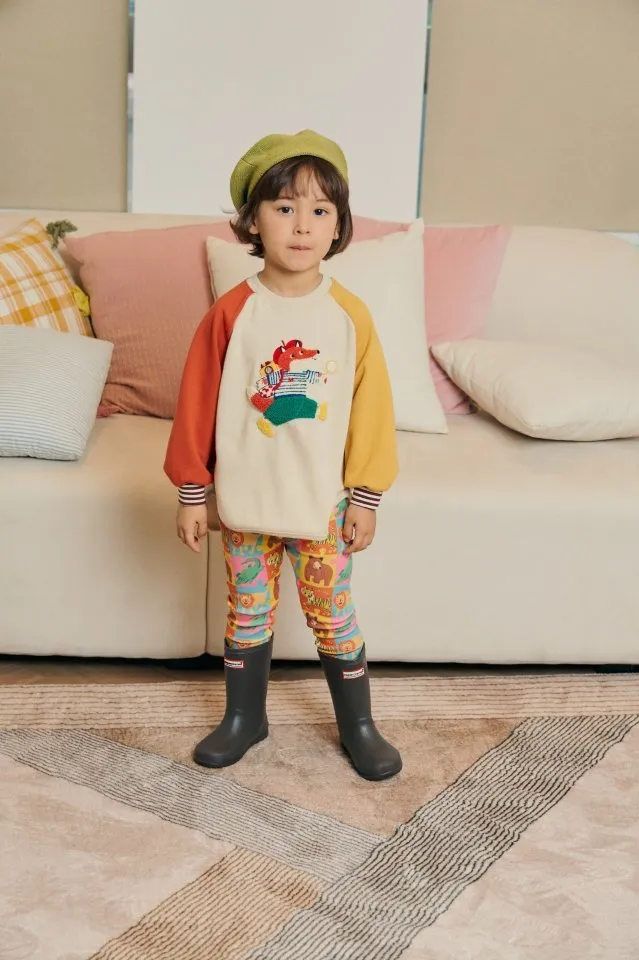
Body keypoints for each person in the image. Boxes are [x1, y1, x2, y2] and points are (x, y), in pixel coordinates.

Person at [164, 130, 402, 781]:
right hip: (245, 504)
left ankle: (358, 726)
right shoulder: (232, 313)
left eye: (320, 210)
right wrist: (192, 492)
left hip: (321, 507)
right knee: (246, 611)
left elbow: (373, 412)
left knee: (333, 614)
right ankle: (245, 717)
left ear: (339, 225)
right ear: (252, 220)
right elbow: (197, 403)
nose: (302, 225)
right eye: (285, 207)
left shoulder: (349, 315)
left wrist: (366, 496)